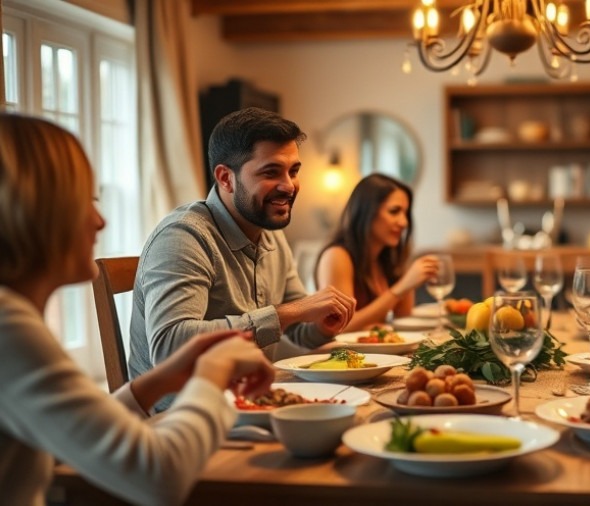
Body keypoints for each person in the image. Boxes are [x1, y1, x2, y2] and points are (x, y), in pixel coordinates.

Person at [0, 113, 275, 505]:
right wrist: (213, 370)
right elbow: (160, 479)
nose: (100, 220)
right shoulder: (8, 327)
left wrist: (161, 379)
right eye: (83, 202)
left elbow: (76, 436)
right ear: (29, 212)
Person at [129, 107, 355, 396]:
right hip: (183, 415)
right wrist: (288, 313)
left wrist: (322, 326)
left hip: (251, 401)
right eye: (271, 172)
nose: (289, 186)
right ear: (225, 178)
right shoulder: (183, 236)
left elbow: (299, 331)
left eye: (294, 171)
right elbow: (169, 346)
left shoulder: (273, 236)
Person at [315, 174, 438, 332]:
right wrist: (401, 287)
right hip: (342, 354)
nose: (404, 222)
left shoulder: (385, 259)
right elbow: (338, 327)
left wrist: (407, 282)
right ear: (367, 211)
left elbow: (403, 318)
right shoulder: (337, 256)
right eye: (394, 211)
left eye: (405, 213)